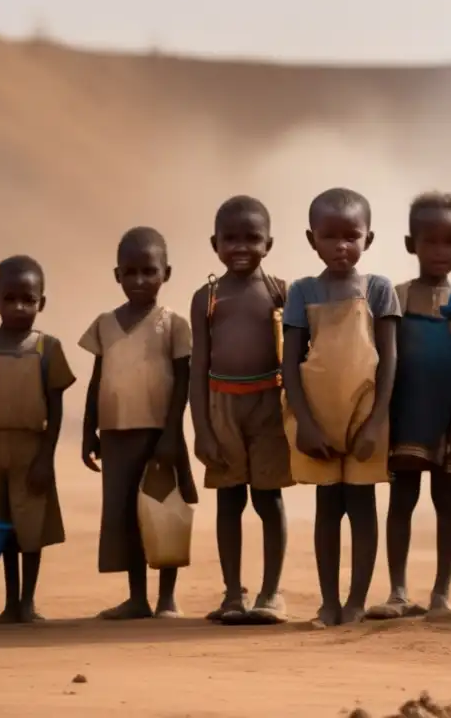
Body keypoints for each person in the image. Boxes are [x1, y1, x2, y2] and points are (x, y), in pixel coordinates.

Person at [366, 192, 451, 621]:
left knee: (446, 495)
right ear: (410, 244)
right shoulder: (394, 298)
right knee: (402, 497)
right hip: (405, 416)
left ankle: (442, 593)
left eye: (449, 241)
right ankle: (399, 591)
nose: (440, 251)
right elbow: (382, 360)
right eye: (430, 241)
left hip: (447, 418)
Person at [281, 187, 400, 627]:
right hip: (317, 413)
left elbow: (389, 358)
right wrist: (305, 424)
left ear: (369, 239)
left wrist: (377, 422)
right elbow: (289, 363)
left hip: (365, 414)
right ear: (312, 239)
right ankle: (328, 602)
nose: (341, 246)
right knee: (328, 510)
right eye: (329, 237)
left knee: (363, 506)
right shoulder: (302, 291)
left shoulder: (379, 289)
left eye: (352, 236)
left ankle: (355, 602)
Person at [80, 226, 198, 620]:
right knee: (125, 514)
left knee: (164, 514)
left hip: (160, 434)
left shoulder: (174, 324)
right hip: (115, 435)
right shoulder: (104, 323)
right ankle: (137, 598)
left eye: (149, 271)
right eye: (130, 272)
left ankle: (166, 599)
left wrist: (171, 434)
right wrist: (88, 432)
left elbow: (183, 381)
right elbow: (97, 380)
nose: (139, 281)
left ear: (167, 273)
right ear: (117, 275)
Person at [0, 255, 76, 623]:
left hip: (30, 451)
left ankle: (28, 602)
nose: (19, 307)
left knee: (30, 528)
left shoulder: (48, 349)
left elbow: (55, 410)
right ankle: (8, 603)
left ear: (42, 303)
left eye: (29, 299)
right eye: (10, 298)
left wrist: (46, 459)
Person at [190, 196, 293, 624]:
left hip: (268, 405)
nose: (241, 247)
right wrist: (202, 429)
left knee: (269, 499)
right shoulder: (207, 297)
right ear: (215, 243)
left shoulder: (281, 292)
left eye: (252, 238)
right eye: (230, 238)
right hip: (222, 407)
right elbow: (198, 367)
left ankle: (271, 594)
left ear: (269, 243)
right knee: (229, 502)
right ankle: (233, 593)